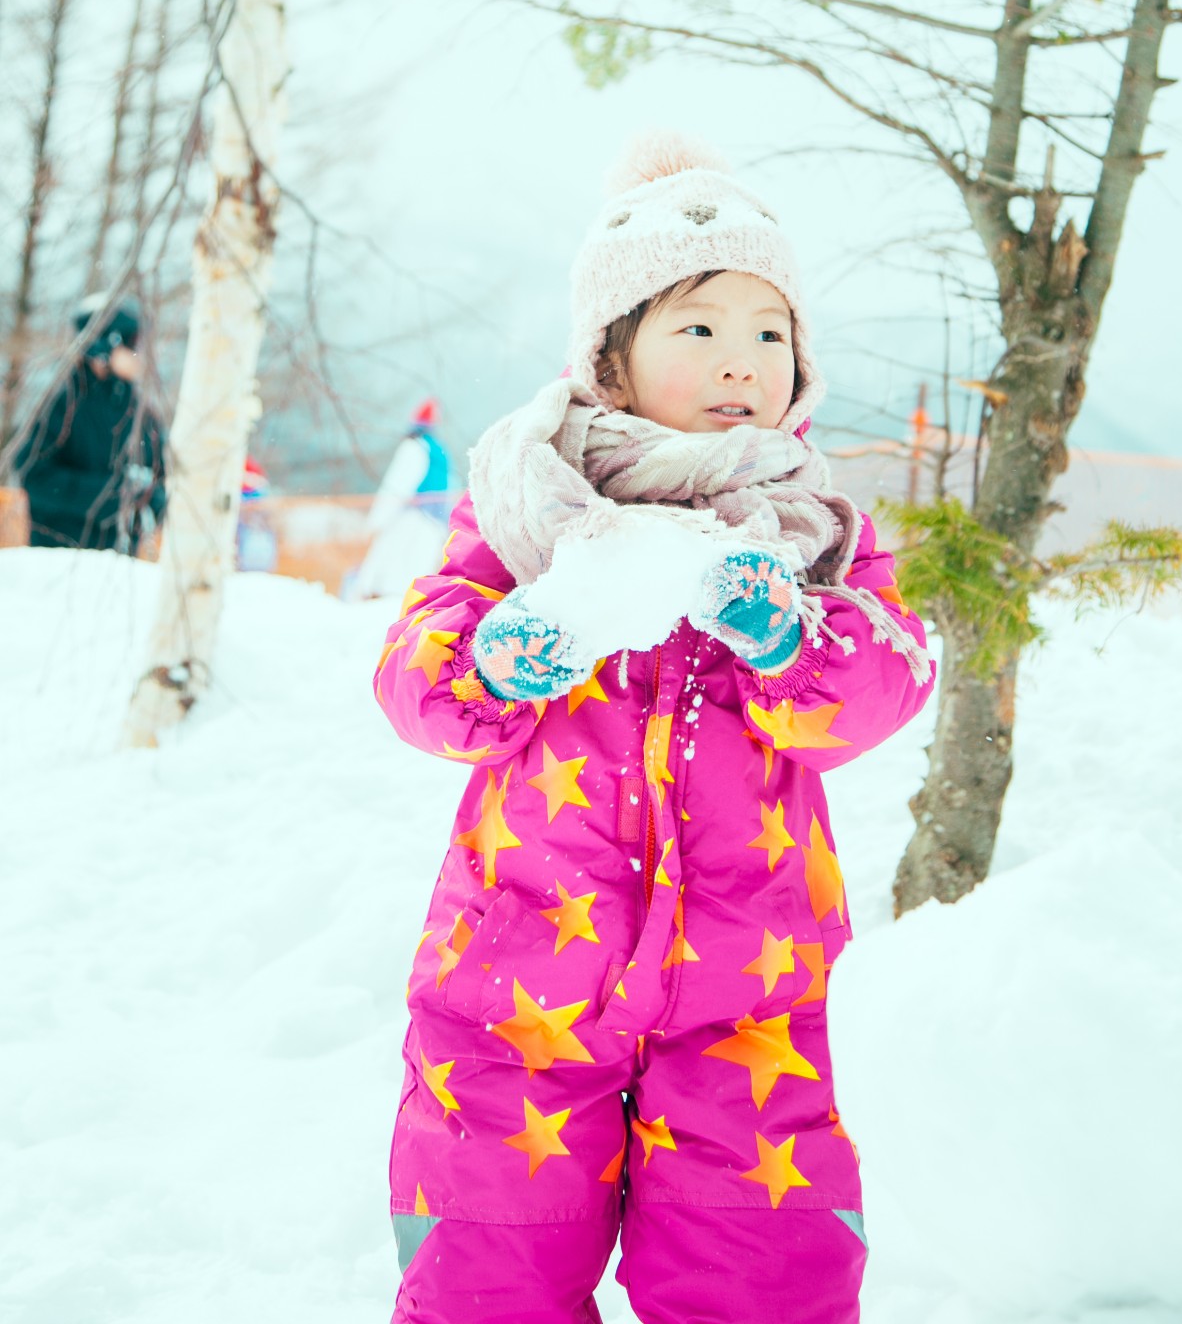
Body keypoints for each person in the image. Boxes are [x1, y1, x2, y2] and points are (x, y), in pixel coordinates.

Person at [374, 133, 936, 1324]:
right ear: (611, 363)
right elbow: (413, 674)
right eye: (698, 329)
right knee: (489, 1278)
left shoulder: (813, 527)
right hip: (514, 991)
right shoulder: (528, 508)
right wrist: (504, 657)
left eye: (769, 333)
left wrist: (787, 636)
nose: (743, 361)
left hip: (756, 1002)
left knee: (764, 1279)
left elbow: (893, 674)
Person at [15, 293, 166, 555]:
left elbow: (160, 473)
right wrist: (111, 495)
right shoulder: (63, 404)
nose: (140, 355)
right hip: (60, 559)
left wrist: (153, 498)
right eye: (132, 344)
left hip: (120, 567)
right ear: (106, 345)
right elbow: (33, 474)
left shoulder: (141, 411)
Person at [349, 399, 451, 600]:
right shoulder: (440, 451)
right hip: (433, 524)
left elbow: (396, 487)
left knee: (387, 577)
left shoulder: (415, 447)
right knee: (415, 581)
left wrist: (375, 521)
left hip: (409, 520)